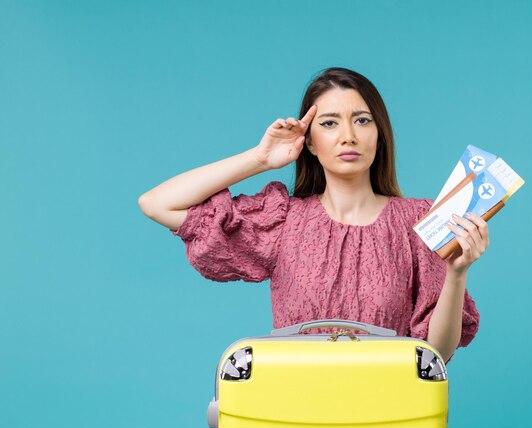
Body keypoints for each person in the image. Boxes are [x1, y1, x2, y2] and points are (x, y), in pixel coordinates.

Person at [138, 67, 488, 365]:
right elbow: (157, 203)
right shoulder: (282, 221)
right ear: (310, 142)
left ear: (378, 135)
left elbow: (435, 354)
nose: (348, 136)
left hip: (388, 422)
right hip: (297, 421)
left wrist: (456, 275)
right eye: (330, 123)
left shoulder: (419, 222)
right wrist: (259, 158)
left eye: (362, 120)